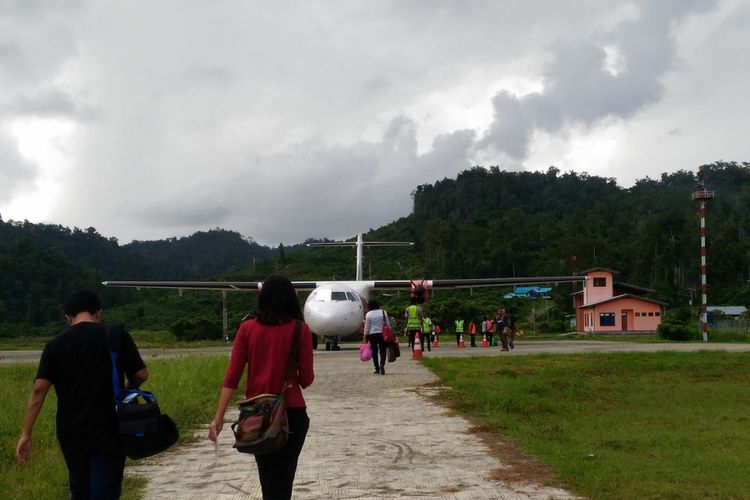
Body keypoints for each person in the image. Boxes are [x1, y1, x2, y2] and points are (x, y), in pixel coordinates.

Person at [16, 290, 148, 499]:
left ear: (68, 317)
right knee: (104, 490)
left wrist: (26, 433)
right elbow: (141, 374)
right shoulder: (115, 334)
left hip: (71, 431)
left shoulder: (55, 345)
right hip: (109, 428)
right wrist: (126, 387)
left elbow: (39, 390)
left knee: (79, 490)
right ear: (99, 313)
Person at [209, 275, 314, 500]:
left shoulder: (247, 329)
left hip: (255, 415)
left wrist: (218, 418)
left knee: (268, 479)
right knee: (282, 480)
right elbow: (306, 379)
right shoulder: (300, 330)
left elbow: (232, 377)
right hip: (290, 414)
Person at [363, 299, 391, 374]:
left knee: (374, 352)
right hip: (382, 334)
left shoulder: (368, 314)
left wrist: (365, 336)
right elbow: (387, 324)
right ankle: (382, 364)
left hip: (372, 335)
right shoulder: (383, 312)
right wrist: (390, 332)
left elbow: (367, 327)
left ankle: (377, 368)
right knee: (383, 350)